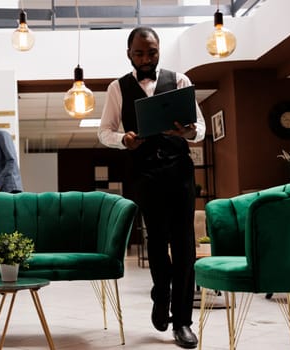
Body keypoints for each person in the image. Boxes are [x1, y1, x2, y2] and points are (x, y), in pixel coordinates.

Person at [98, 27, 206, 349]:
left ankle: (183, 321)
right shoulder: (118, 88)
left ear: (159, 51)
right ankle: (161, 296)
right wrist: (124, 140)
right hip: (144, 173)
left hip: (180, 171)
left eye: (152, 52)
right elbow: (104, 132)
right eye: (140, 53)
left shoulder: (181, 80)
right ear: (129, 53)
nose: (146, 58)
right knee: (157, 241)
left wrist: (187, 132)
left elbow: (199, 128)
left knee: (184, 244)